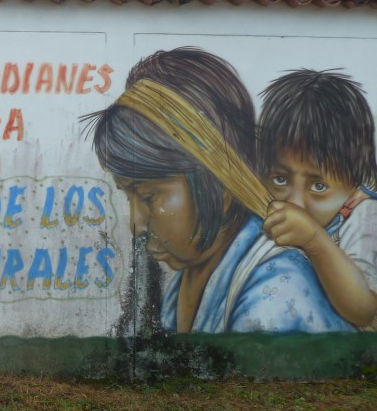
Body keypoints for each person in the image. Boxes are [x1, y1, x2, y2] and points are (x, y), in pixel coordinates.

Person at [86, 47, 351, 334]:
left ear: (221, 184)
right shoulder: (190, 274)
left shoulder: (274, 300)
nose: (136, 225)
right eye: (129, 196)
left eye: (149, 196)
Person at [258, 69, 377, 329]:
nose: (296, 203)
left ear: (354, 185)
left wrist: (314, 240)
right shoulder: (260, 209)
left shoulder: (362, 214)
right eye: (280, 179)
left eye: (319, 186)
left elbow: (363, 310)